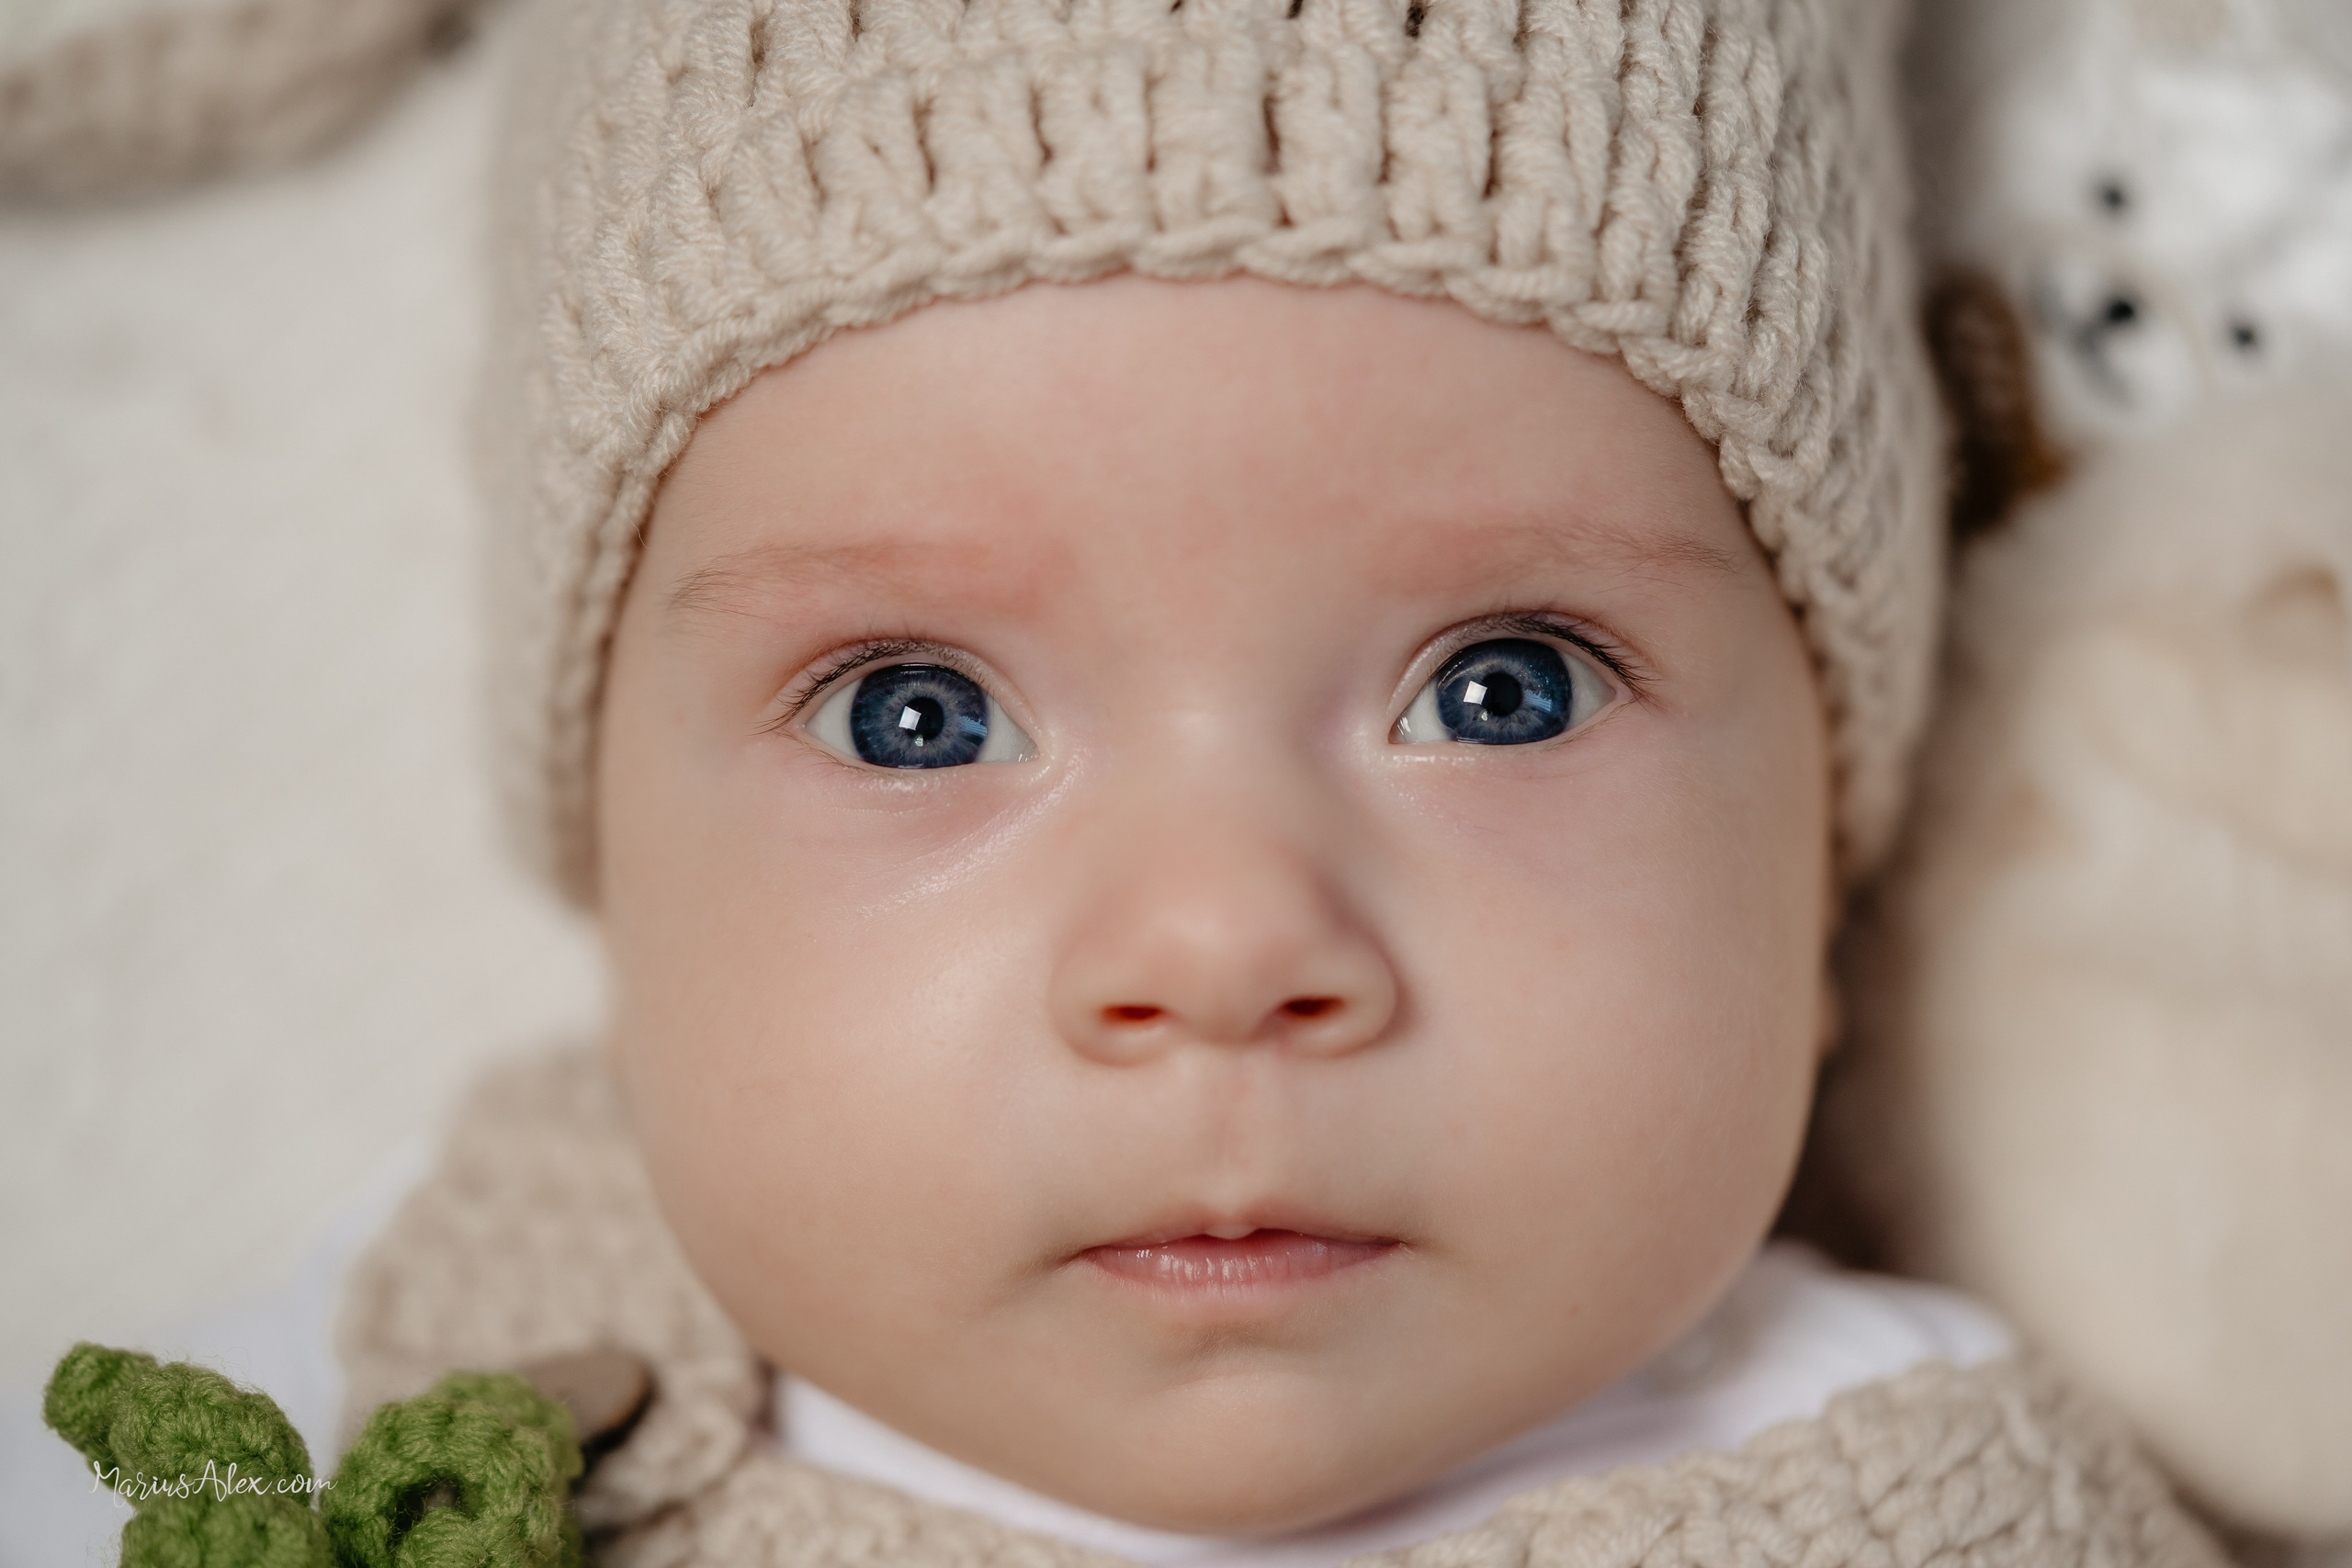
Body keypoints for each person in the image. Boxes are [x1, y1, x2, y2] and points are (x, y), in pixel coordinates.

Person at [26, 0, 2227, 1559]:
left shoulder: (1953, 1497)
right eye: (918, 713)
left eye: (1505, 689)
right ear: (623, 873)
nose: (1220, 943)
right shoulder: (391, 1392)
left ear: (1815, 878)